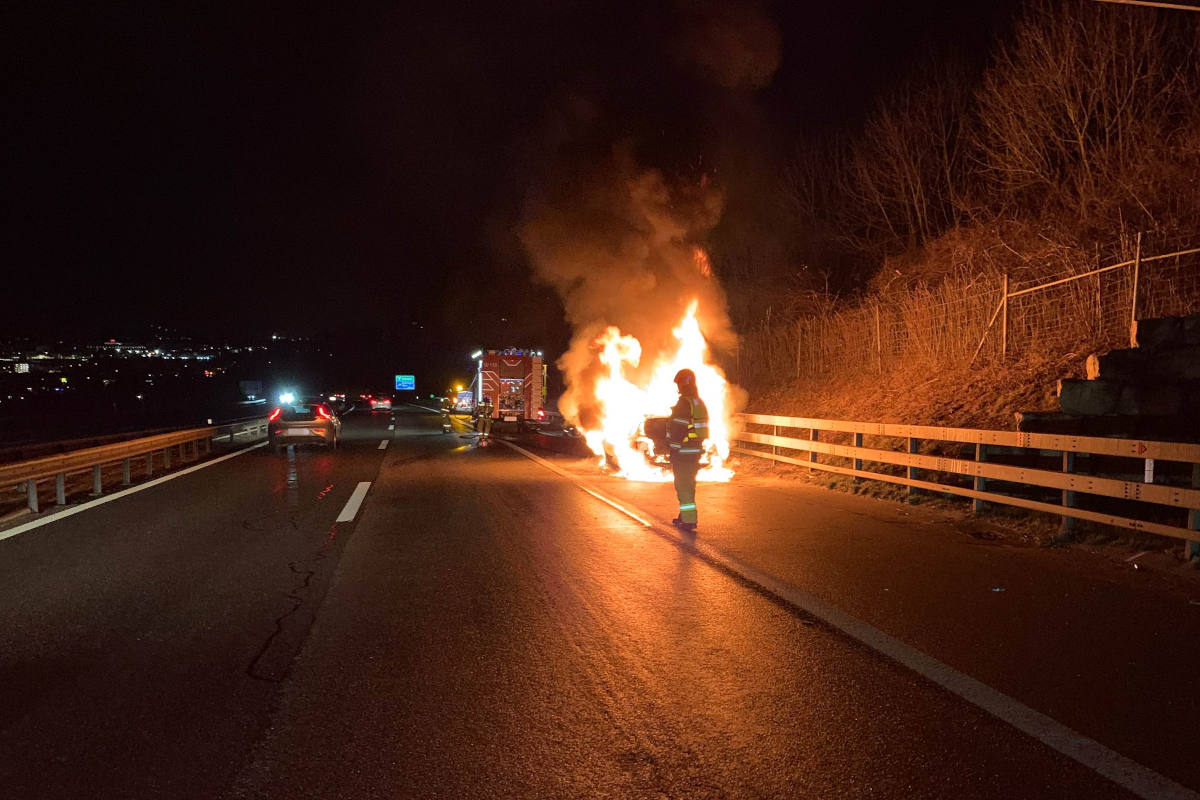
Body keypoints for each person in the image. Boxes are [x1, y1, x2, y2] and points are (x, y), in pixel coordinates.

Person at [666, 368, 708, 532]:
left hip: (683, 451)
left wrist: (673, 449)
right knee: (689, 484)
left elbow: (678, 429)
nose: (677, 387)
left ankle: (689, 520)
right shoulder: (698, 402)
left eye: (678, 383)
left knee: (683, 486)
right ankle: (684, 516)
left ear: (682, 384)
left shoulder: (684, 403)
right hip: (695, 450)